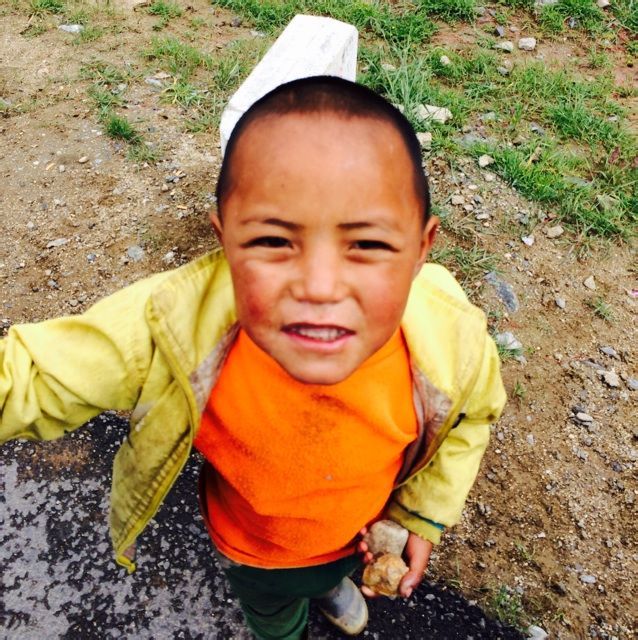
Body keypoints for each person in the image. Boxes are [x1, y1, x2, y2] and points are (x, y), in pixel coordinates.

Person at [0, 76, 506, 639]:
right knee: (272, 614)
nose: (319, 286)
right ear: (225, 239)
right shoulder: (170, 327)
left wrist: (420, 512)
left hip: (357, 534)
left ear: (420, 249)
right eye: (272, 241)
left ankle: (327, 584)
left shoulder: (451, 342)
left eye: (367, 244)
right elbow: (29, 377)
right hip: (253, 553)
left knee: (329, 573)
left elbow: (473, 418)